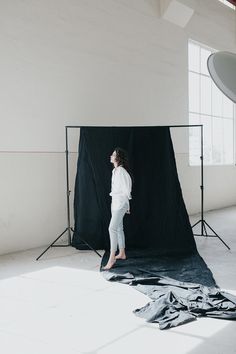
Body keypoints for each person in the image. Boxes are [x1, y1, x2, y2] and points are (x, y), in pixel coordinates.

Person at [103, 147, 132, 270]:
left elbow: (127, 190)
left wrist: (126, 206)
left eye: (113, 154)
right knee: (119, 228)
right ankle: (122, 253)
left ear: (118, 158)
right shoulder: (115, 171)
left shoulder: (121, 171)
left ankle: (112, 258)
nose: (111, 156)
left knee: (112, 228)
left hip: (120, 204)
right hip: (115, 203)